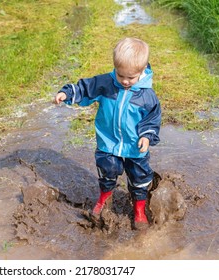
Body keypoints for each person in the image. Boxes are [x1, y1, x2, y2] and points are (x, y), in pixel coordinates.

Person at [54, 37, 161, 230]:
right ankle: (104, 199)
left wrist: (146, 136)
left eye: (131, 77)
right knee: (107, 172)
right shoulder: (107, 83)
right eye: (121, 76)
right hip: (108, 143)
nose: (125, 81)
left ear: (142, 71)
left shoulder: (147, 96)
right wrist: (68, 93)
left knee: (139, 177)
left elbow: (152, 119)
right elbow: (85, 88)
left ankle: (139, 209)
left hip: (134, 147)